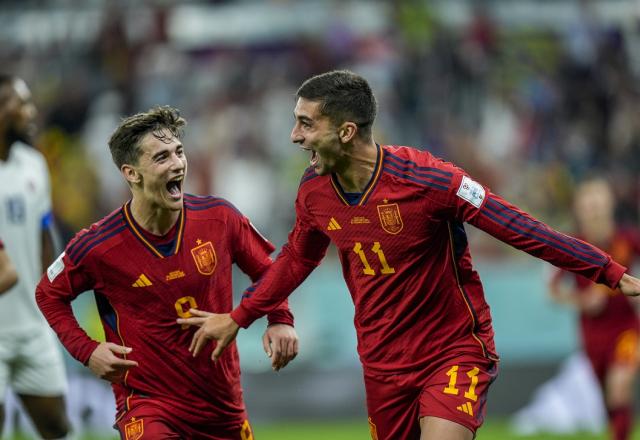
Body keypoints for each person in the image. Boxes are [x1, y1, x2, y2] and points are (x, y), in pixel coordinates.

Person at [177, 70, 640, 440]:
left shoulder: (429, 181)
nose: (294, 136)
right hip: (382, 363)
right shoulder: (314, 192)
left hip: (452, 350)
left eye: (305, 123)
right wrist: (239, 317)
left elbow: (520, 228)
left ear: (346, 131)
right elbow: (297, 259)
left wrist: (607, 270)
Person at [35, 106, 299, 439]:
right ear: (132, 173)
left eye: (179, 152)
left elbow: (267, 270)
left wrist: (279, 318)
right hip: (147, 403)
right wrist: (87, 351)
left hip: (221, 402)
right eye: (161, 158)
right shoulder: (97, 246)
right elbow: (48, 293)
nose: (177, 164)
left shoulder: (219, 218)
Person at [0, 75, 71, 439]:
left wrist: (54, 299)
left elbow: (45, 237)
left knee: (58, 427)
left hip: (31, 324)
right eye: (21, 104)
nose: (31, 112)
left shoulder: (34, 164)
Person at [549, 177, 640, 440]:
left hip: (626, 328)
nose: (595, 211)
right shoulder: (573, 246)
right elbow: (552, 291)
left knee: (619, 387)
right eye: (589, 206)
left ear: (609, 206)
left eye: (599, 204)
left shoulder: (627, 240)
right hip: (592, 336)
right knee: (609, 398)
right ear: (579, 210)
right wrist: (582, 300)